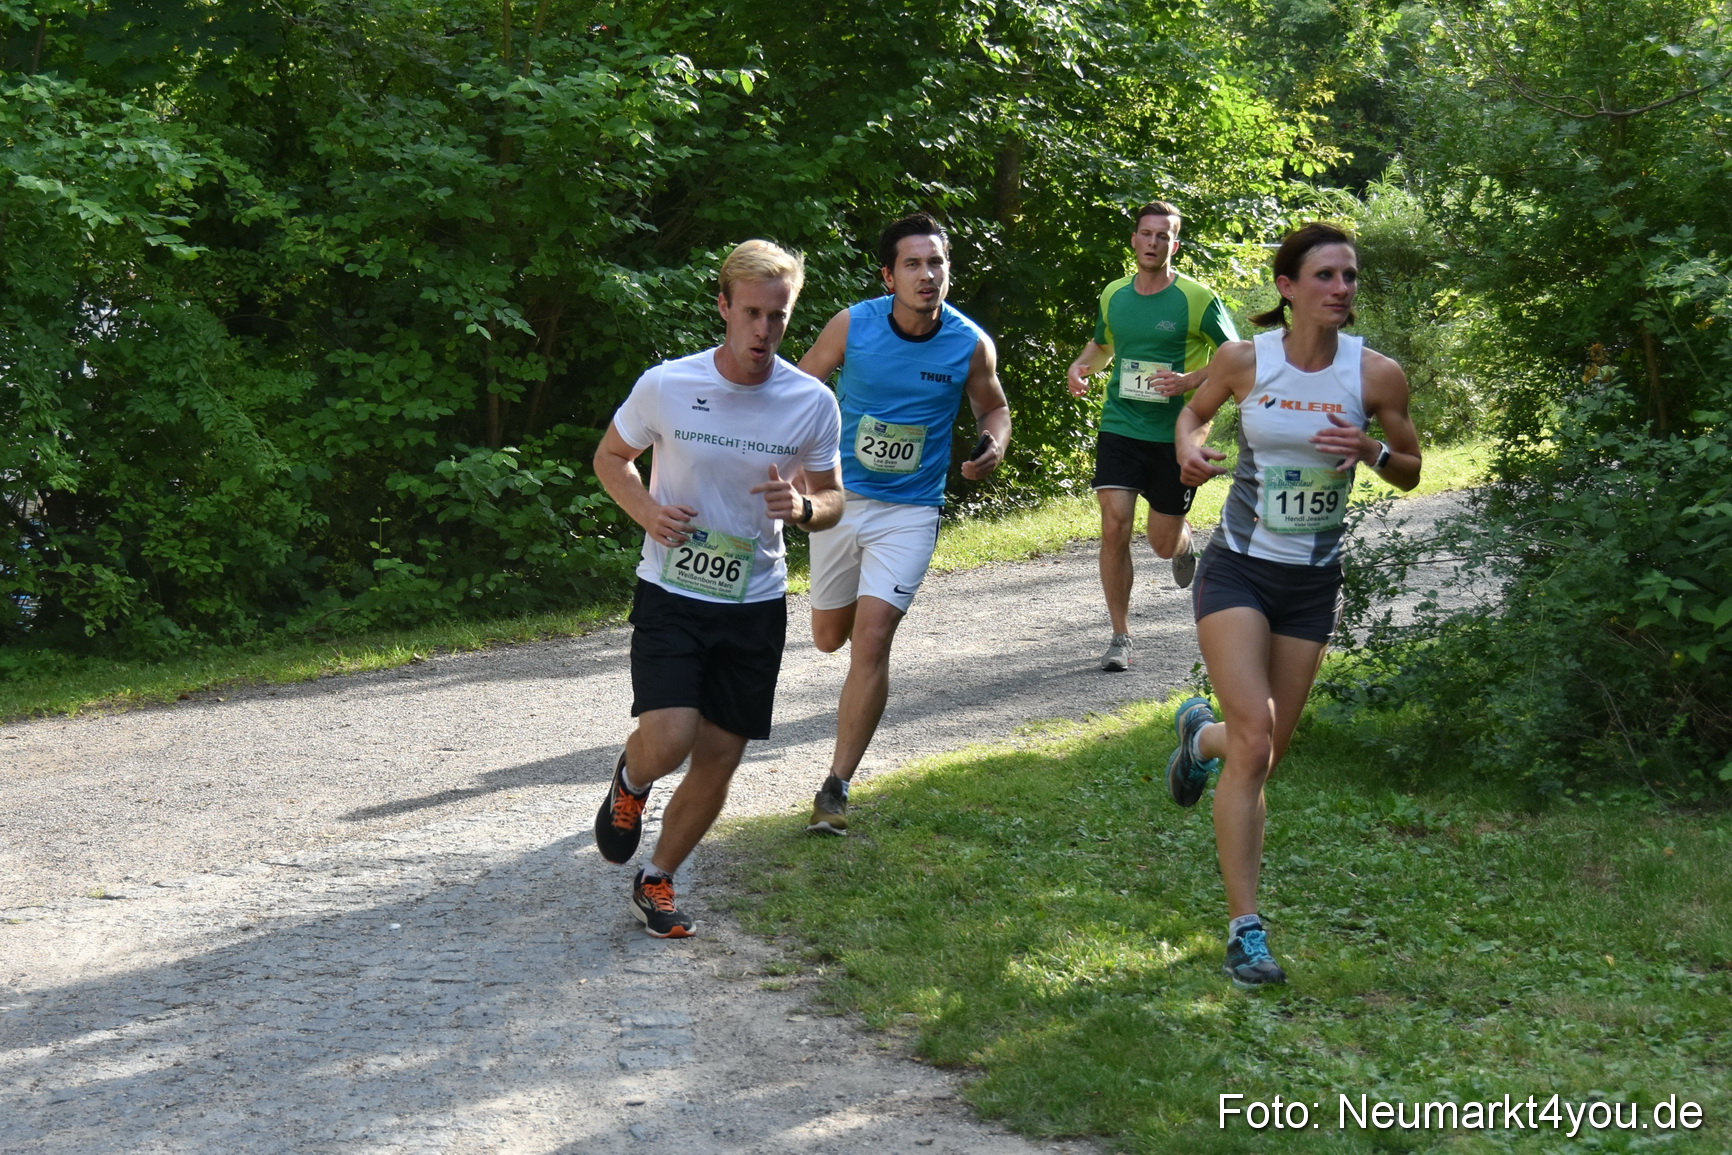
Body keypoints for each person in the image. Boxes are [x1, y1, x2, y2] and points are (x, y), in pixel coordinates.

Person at [1165, 222, 1422, 986]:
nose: (1342, 288)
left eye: (1350, 275)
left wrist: (1372, 451)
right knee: (1259, 731)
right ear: (1287, 287)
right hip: (1238, 569)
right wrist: (1189, 446)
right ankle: (1246, 930)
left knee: (1259, 752)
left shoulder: (1377, 375)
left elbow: (1410, 467)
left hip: (1313, 580)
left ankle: (1195, 738)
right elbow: (1194, 413)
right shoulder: (1246, 359)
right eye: (1326, 276)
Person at [591, 239, 844, 938]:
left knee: (721, 755)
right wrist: (646, 511)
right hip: (672, 590)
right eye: (754, 313)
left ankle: (660, 877)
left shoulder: (811, 402)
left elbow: (833, 498)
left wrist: (803, 511)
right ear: (725, 307)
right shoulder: (667, 385)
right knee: (669, 736)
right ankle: (631, 782)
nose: (765, 331)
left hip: (754, 601)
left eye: (780, 317)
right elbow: (611, 458)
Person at [797, 212, 1012, 836]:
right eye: (913, 264)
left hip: (912, 511)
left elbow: (993, 406)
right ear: (889, 275)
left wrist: (992, 443)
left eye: (937, 262)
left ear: (948, 271)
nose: (927, 274)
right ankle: (837, 764)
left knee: (873, 637)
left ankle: (835, 787)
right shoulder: (853, 325)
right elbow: (803, 386)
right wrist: (787, 465)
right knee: (828, 637)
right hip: (841, 499)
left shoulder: (968, 342)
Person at [1067, 201, 1239, 672]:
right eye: (1146, 234)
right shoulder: (1114, 295)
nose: (1153, 242)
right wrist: (1082, 366)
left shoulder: (1198, 299)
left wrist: (1188, 380)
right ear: (1134, 239)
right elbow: (1103, 346)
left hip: (1175, 433)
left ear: (1175, 244)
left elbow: (1237, 359)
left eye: (1164, 236)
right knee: (1114, 523)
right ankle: (1120, 635)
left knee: (1161, 542)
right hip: (1120, 424)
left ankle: (1184, 546)